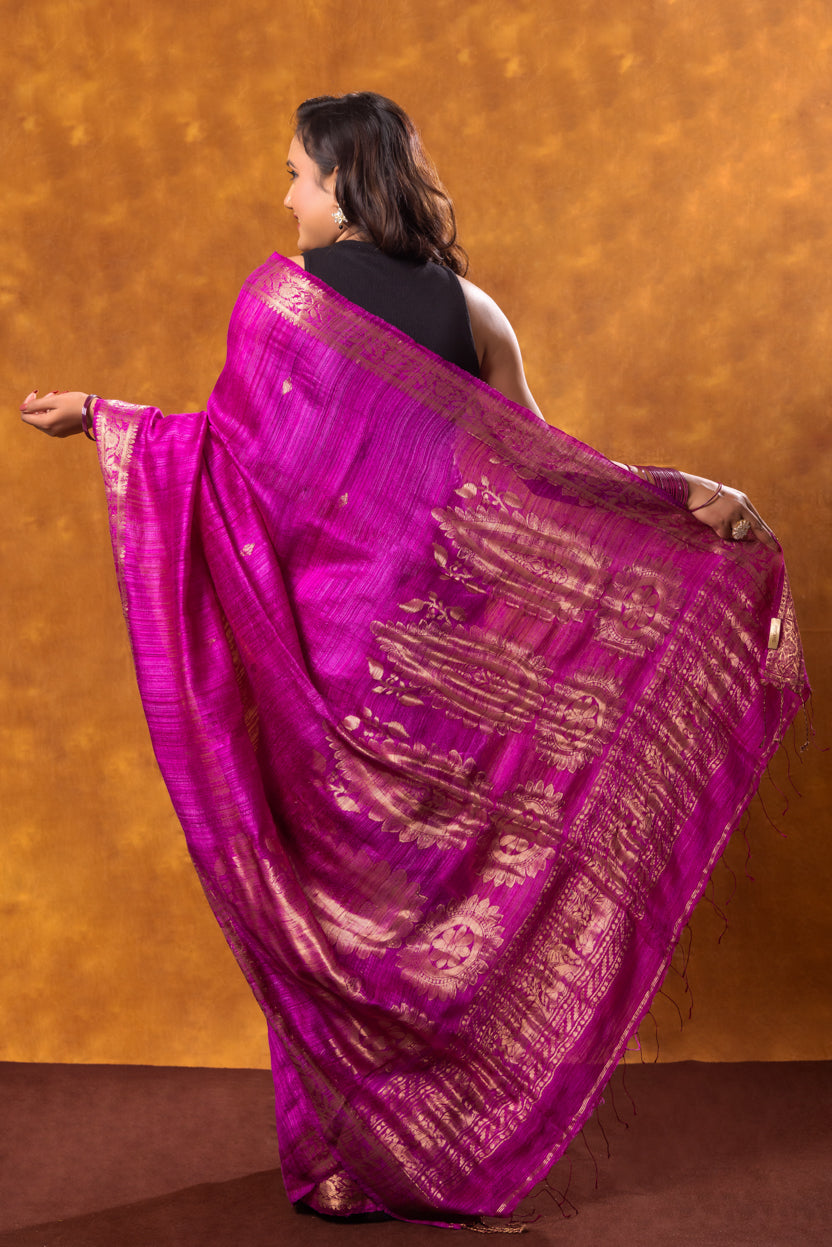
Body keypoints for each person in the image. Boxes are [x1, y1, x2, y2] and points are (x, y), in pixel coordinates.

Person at [20, 93, 806, 1231]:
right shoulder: (470, 310)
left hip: (317, 659)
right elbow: (552, 466)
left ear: (342, 184)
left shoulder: (279, 303)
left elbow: (228, 465)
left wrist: (106, 419)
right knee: (424, 900)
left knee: (327, 901)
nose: (284, 197)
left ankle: (346, 1163)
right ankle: (439, 1146)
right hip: (434, 657)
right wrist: (686, 499)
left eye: (295, 175)